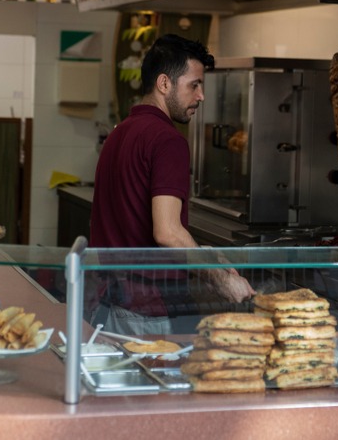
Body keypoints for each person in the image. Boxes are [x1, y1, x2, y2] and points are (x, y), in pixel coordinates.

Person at [90, 34, 254, 332]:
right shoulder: (168, 140)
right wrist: (220, 278)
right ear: (164, 83)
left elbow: (132, 222)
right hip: (148, 308)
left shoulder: (119, 132)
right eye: (194, 85)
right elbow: (167, 232)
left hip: (110, 303)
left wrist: (207, 254)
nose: (201, 96)